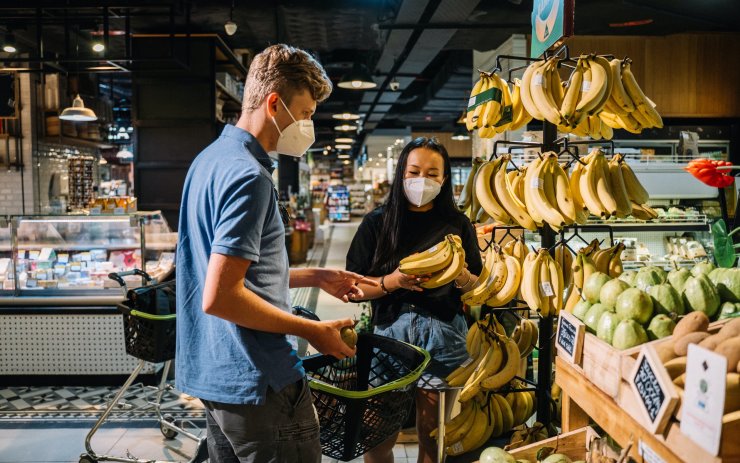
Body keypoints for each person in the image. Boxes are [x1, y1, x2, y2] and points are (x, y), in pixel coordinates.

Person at [176, 44, 376, 463]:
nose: (308, 125)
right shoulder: (250, 178)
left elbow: (222, 274)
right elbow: (221, 296)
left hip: (212, 372)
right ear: (274, 103)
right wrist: (310, 331)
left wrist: (314, 277)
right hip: (258, 376)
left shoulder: (207, 161)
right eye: (304, 114)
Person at [346, 137, 483, 463]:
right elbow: (352, 288)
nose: (423, 179)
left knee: (432, 436)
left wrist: (460, 275)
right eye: (415, 171)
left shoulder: (458, 225)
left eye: (432, 173)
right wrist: (391, 282)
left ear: (444, 179)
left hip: (444, 337)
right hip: (389, 338)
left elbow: (476, 287)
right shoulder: (377, 223)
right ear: (401, 174)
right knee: (377, 439)